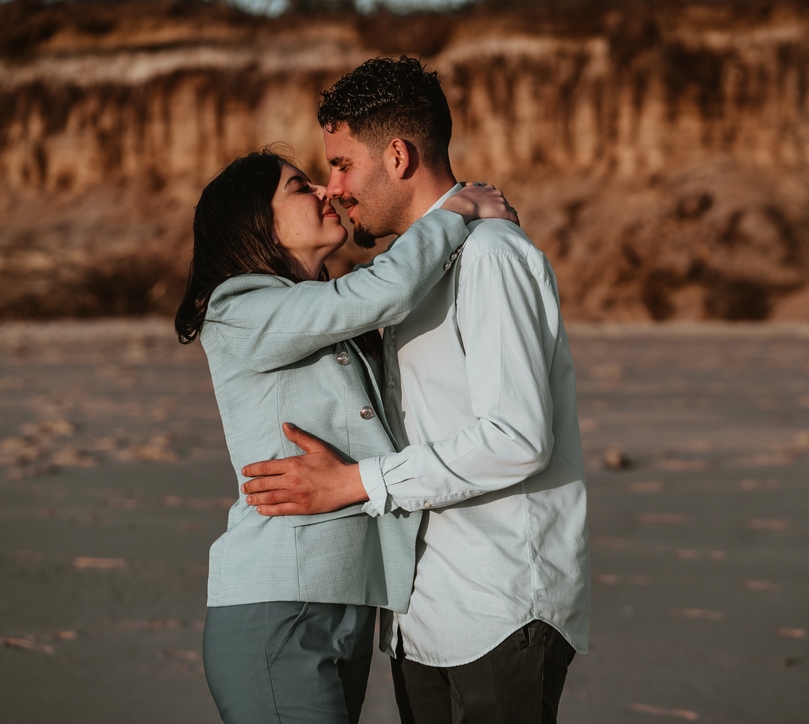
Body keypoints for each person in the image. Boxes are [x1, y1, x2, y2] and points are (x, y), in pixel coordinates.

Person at [241, 56, 591, 724]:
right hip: (421, 615)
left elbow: (516, 439)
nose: (334, 188)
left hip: (501, 605)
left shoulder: (489, 256)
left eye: (343, 164)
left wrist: (353, 484)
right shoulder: (405, 273)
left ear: (397, 155)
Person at [174, 148, 517, 724]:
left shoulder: (323, 316)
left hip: (349, 605)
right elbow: (381, 292)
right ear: (257, 221)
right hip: (277, 606)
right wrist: (454, 211)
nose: (325, 192)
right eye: (299, 187)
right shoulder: (240, 309)